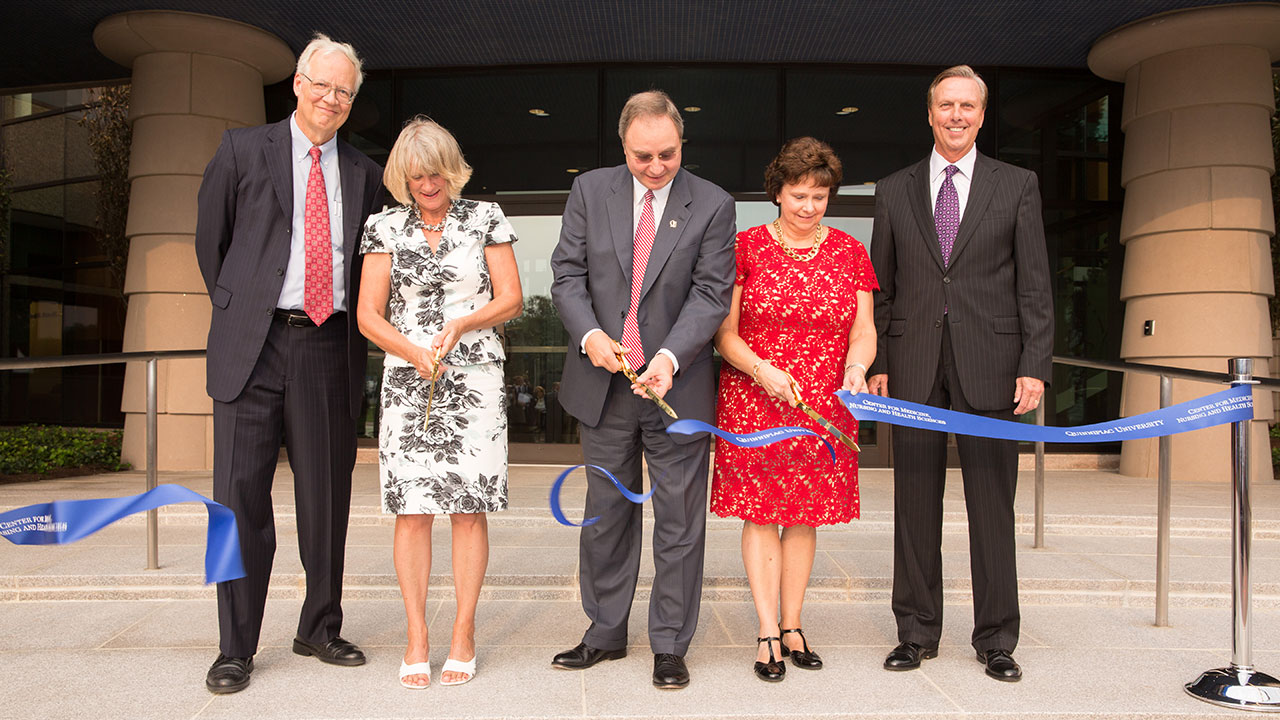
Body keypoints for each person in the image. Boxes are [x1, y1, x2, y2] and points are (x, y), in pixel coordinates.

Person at [195, 33, 386, 694]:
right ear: (298, 85)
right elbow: (212, 247)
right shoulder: (241, 150)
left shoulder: (363, 174)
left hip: (327, 346)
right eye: (323, 85)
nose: (332, 98)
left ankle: (319, 627)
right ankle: (234, 648)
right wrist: (247, 310)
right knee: (238, 502)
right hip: (251, 346)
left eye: (345, 91)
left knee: (325, 500)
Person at [867, 65, 1053, 682]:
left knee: (992, 510)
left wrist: (1034, 365)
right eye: (946, 105)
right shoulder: (893, 190)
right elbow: (882, 289)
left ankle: (997, 638)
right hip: (913, 368)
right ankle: (916, 633)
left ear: (981, 113)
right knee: (914, 507)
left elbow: (1035, 285)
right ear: (929, 113)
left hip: (994, 367)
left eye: (967, 106)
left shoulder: (1018, 184)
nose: (956, 115)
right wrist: (881, 365)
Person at [549, 90, 736, 689]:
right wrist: (590, 336)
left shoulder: (713, 204)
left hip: (675, 388)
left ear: (683, 144)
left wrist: (667, 357)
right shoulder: (588, 191)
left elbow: (711, 294)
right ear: (622, 146)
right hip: (603, 387)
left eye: (667, 155)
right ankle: (604, 632)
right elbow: (566, 276)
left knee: (679, 520)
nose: (655, 168)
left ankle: (670, 644)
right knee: (605, 515)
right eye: (642, 156)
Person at [356, 117, 523, 688]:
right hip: (408, 382)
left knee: (467, 507)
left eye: (436, 174)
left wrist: (463, 322)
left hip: (474, 378)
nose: (428, 185)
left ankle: (463, 632)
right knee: (412, 510)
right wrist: (411, 350)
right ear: (402, 176)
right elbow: (368, 316)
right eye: (416, 176)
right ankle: (416, 636)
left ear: (453, 170)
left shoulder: (485, 218)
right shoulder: (383, 227)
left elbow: (511, 299)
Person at [710, 137, 877, 682]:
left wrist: (856, 369)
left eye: (820, 197)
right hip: (756, 399)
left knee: (805, 517)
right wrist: (762, 370)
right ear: (777, 194)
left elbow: (864, 330)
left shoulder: (852, 252)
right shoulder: (746, 247)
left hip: (822, 405)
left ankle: (793, 624)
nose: (809, 207)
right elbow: (725, 335)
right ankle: (764, 631)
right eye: (798, 195)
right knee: (761, 515)